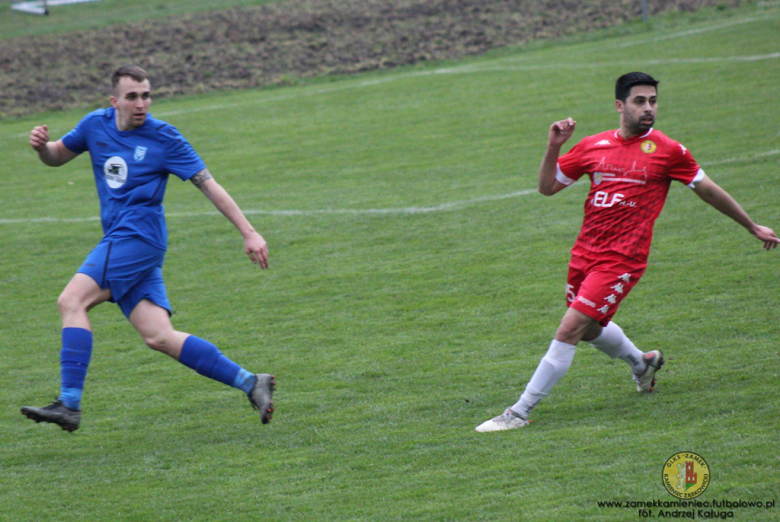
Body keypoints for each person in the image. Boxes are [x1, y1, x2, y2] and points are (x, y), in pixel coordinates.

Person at [476, 71, 778, 432]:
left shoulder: (668, 151)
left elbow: (707, 189)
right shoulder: (593, 145)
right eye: (640, 101)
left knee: (570, 328)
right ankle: (642, 362)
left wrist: (750, 225)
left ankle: (518, 412)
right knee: (588, 330)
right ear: (620, 105)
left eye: (652, 101)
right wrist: (554, 145)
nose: (648, 108)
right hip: (584, 254)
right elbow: (547, 188)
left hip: (622, 259)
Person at [21, 65, 275, 432]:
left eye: (146, 95)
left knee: (70, 302)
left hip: (136, 238)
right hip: (129, 242)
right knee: (159, 336)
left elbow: (209, 184)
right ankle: (251, 382)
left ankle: (69, 405)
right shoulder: (95, 124)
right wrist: (42, 147)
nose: (141, 104)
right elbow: (58, 155)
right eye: (132, 96)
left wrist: (249, 233)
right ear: (114, 101)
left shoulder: (165, 138)